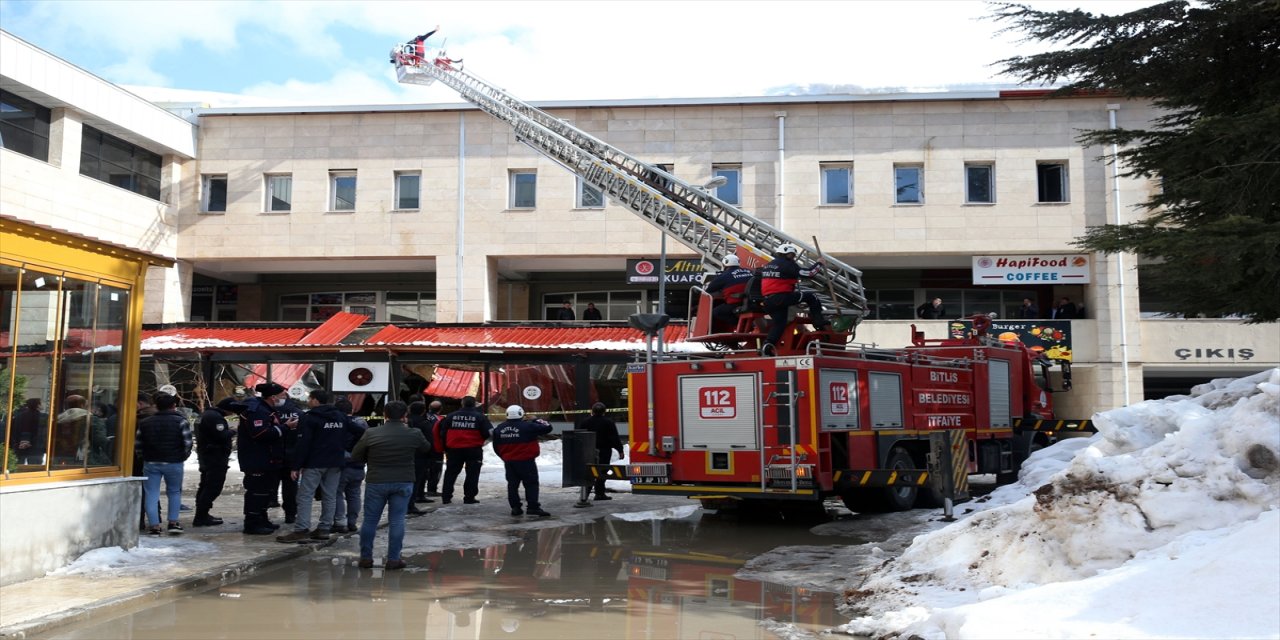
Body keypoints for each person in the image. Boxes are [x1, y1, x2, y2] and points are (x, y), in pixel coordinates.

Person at [352, 401, 430, 570]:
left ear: (385, 415)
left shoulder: (371, 433)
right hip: (403, 480)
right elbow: (426, 448)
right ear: (405, 416)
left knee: (370, 520)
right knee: (397, 520)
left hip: (376, 480)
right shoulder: (414, 433)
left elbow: (356, 454)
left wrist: (371, 460)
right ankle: (394, 559)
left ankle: (366, 558)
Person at [278, 389, 358, 543]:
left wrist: (296, 466)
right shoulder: (340, 416)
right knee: (330, 495)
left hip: (315, 462)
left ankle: (301, 529)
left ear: (315, 400)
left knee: (305, 496)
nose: (308, 401)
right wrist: (345, 448)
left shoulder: (309, 418)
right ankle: (324, 528)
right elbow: (360, 432)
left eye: (310, 398)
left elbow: (303, 443)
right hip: (335, 463)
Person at [136, 393, 193, 536]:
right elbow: (187, 443)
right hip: (174, 462)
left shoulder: (145, 422)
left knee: (151, 493)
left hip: (151, 462)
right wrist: (182, 456)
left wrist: (144, 457)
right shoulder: (180, 421)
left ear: (156, 406)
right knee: (174, 492)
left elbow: (138, 445)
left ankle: (154, 526)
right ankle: (173, 523)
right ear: (174, 406)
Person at [238, 382, 290, 535]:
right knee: (256, 492)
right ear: (273, 397)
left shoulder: (267, 409)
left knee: (265, 492)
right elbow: (260, 434)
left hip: (268, 459)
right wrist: (285, 428)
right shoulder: (257, 411)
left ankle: (262, 519)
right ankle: (252, 523)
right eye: (282, 396)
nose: (284, 398)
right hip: (257, 459)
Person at [760, 243, 829, 346]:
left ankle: (768, 345)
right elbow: (809, 273)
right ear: (784, 254)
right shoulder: (786, 264)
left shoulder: (768, 265)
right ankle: (819, 322)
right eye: (791, 255)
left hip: (768, 301)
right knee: (811, 297)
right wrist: (819, 263)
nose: (793, 258)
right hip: (781, 297)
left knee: (780, 324)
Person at [493, 405, 554, 517]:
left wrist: (505, 457)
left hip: (509, 462)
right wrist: (536, 419)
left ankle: (515, 507)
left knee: (512, 485)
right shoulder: (529, 426)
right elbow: (548, 427)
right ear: (521, 414)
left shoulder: (499, 428)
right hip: (526, 461)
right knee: (531, 484)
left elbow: (496, 447)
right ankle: (532, 507)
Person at [193, 397, 245, 527]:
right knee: (213, 486)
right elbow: (221, 436)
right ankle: (201, 516)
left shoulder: (206, 414)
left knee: (205, 485)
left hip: (206, 455)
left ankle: (202, 513)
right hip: (214, 456)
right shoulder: (215, 417)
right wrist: (233, 431)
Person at [438, 395, 493, 505]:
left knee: (450, 473)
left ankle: (446, 497)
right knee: (472, 474)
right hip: (473, 449)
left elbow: (442, 433)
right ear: (474, 405)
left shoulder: (450, 416)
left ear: (462, 404)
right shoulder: (480, 417)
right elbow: (488, 433)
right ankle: (469, 497)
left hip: (454, 449)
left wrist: (445, 447)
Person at [332, 397, 368, 534]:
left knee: (337, 493)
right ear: (352, 410)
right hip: (358, 464)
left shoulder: (338, 423)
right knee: (354, 494)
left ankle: (340, 522)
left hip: (341, 464)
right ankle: (352, 522)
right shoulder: (362, 423)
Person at [578, 402, 624, 501]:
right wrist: (620, 450)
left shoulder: (585, 422)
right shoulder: (608, 422)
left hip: (589, 450)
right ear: (604, 411)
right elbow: (614, 438)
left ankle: (585, 493)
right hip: (604, 450)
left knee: (589, 471)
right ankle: (599, 493)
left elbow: (580, 436)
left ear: (592, 411)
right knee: (602, 471)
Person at [704, 254, 754, 332]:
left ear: (725, 264)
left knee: (715, 312)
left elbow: (709, 290)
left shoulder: (724, 275)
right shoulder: (749, 271)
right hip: (752, 302)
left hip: (737, 303)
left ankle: (740, 326)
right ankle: (746, 325)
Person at [275, 393, 303, 524]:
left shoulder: (271, 412)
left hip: (274, 456)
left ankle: (262, 512)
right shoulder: (299, 413)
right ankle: (290, 514)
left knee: (269, 486)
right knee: (290, 488)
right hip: (293, 457)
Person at [408, 401, 438, 512]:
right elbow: (429, 441)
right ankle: (412, 503)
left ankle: (417, 497)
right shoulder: (425, 423)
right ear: (423, 411)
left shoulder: (406, 421)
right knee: (418, 479)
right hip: (421, 455)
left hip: (406, 454)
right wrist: (431, 455)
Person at [9, 398, 46, 466]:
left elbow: (14, 431)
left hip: (20, 445)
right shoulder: (43, 417)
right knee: (35, 467)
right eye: (41, 403)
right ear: (37, 405)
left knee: (18, 466)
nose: (42, 404)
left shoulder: (19, 416)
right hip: (36, 447)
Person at [424, 400, 445, 497]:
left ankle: (420, 490)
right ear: (440, 409)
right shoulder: (440, 419)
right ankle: (432, 489)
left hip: (422, 447)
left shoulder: (423, 417)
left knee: (424, 468)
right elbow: (443, 435)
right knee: (436, 470)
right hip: (436, 448)